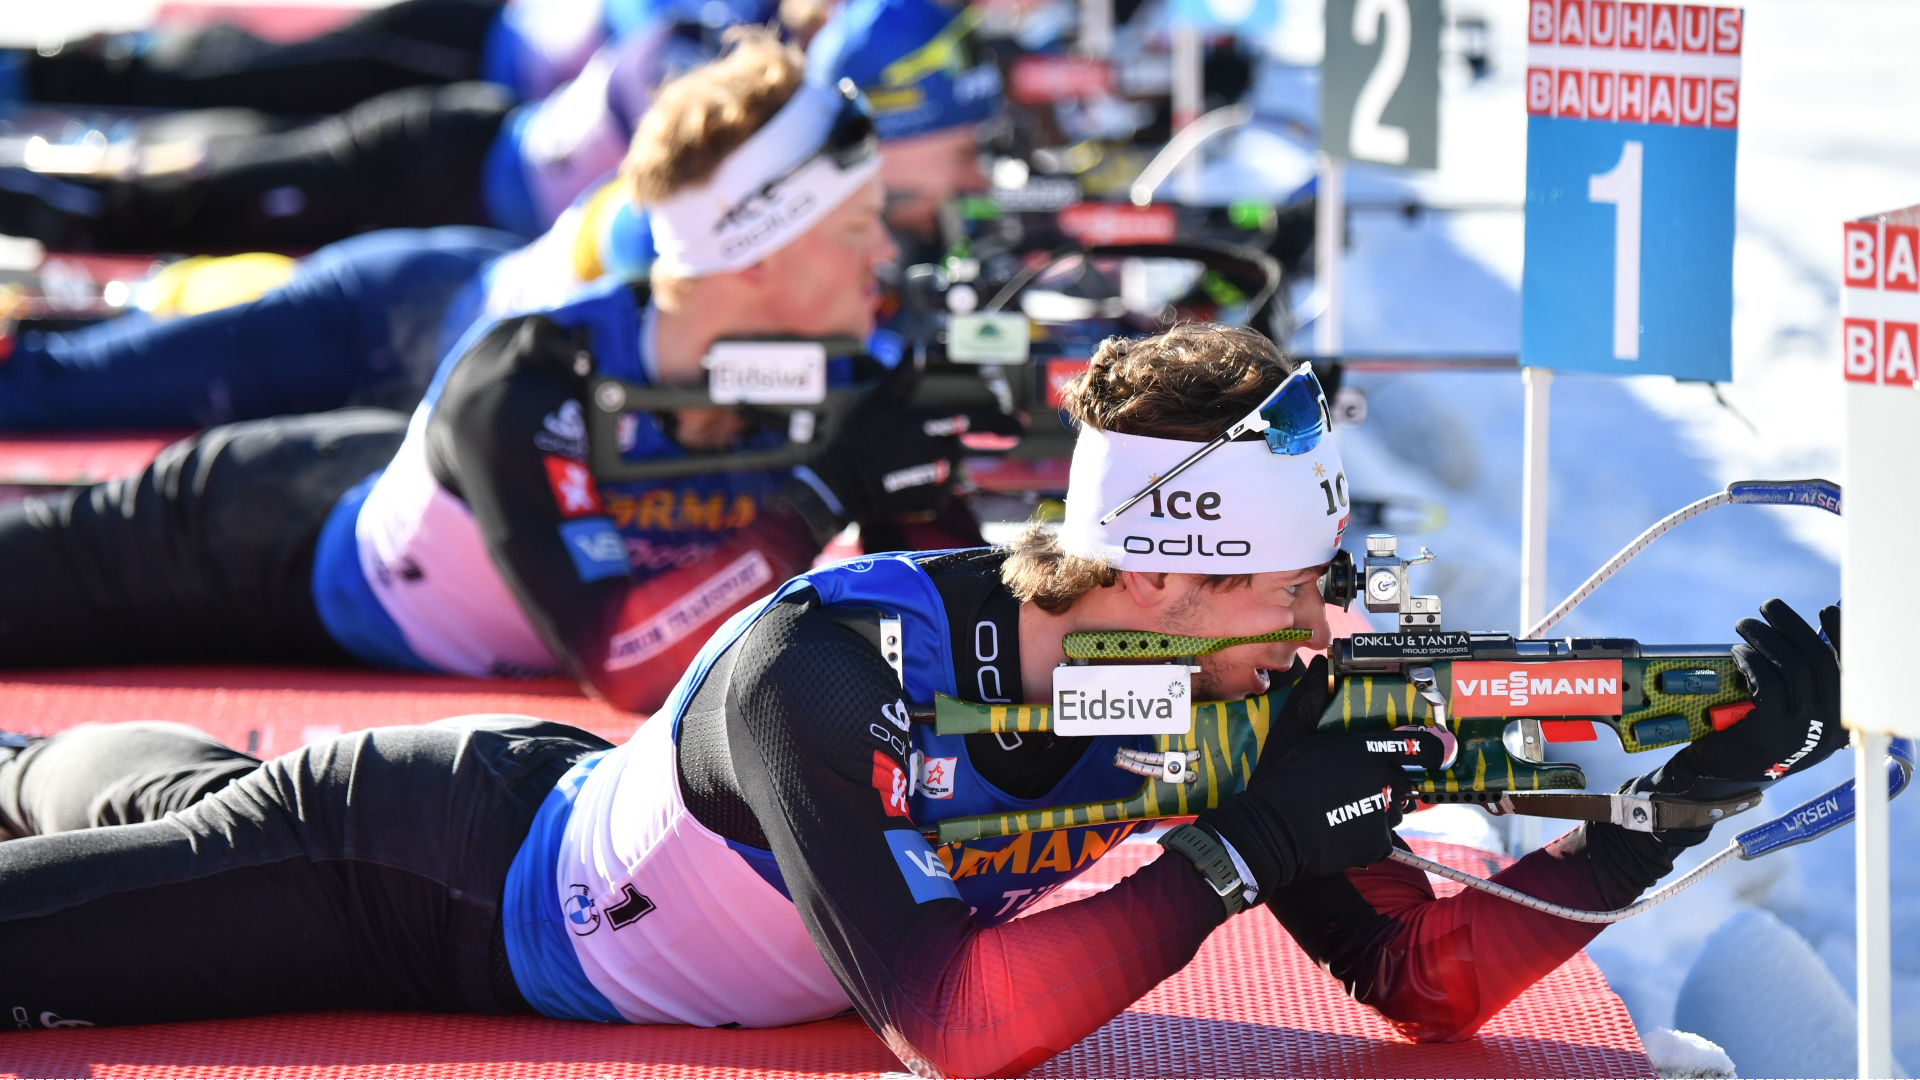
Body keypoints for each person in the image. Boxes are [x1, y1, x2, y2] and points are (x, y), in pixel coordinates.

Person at [0, 322, 1848, 1079]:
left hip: (567, 843)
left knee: (107, 797)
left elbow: (1425, 991)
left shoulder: (1225, 682)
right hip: (413, 873)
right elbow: (952, 1029)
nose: (1327, 627)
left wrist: (1674, 807)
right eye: (1297, 589)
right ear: (1160, 574)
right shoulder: (830, 667)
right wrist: (1233, 855)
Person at [0, 31, 1012, 713]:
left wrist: (932, 504)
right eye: (857, 229)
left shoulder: (859, 371)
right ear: (756, 255)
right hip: (254, 542)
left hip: (390, 500)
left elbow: (967, 652)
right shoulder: (531, 382)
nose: (889, 259)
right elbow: (624, 664)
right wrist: (822, 488)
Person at [0, 0, 1000, 431]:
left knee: (118, 336)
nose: (967, 185)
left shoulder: (794, 194)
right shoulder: (740, 190)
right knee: (83, 354)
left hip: (433, 318)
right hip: (399, 281)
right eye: (958, 152)